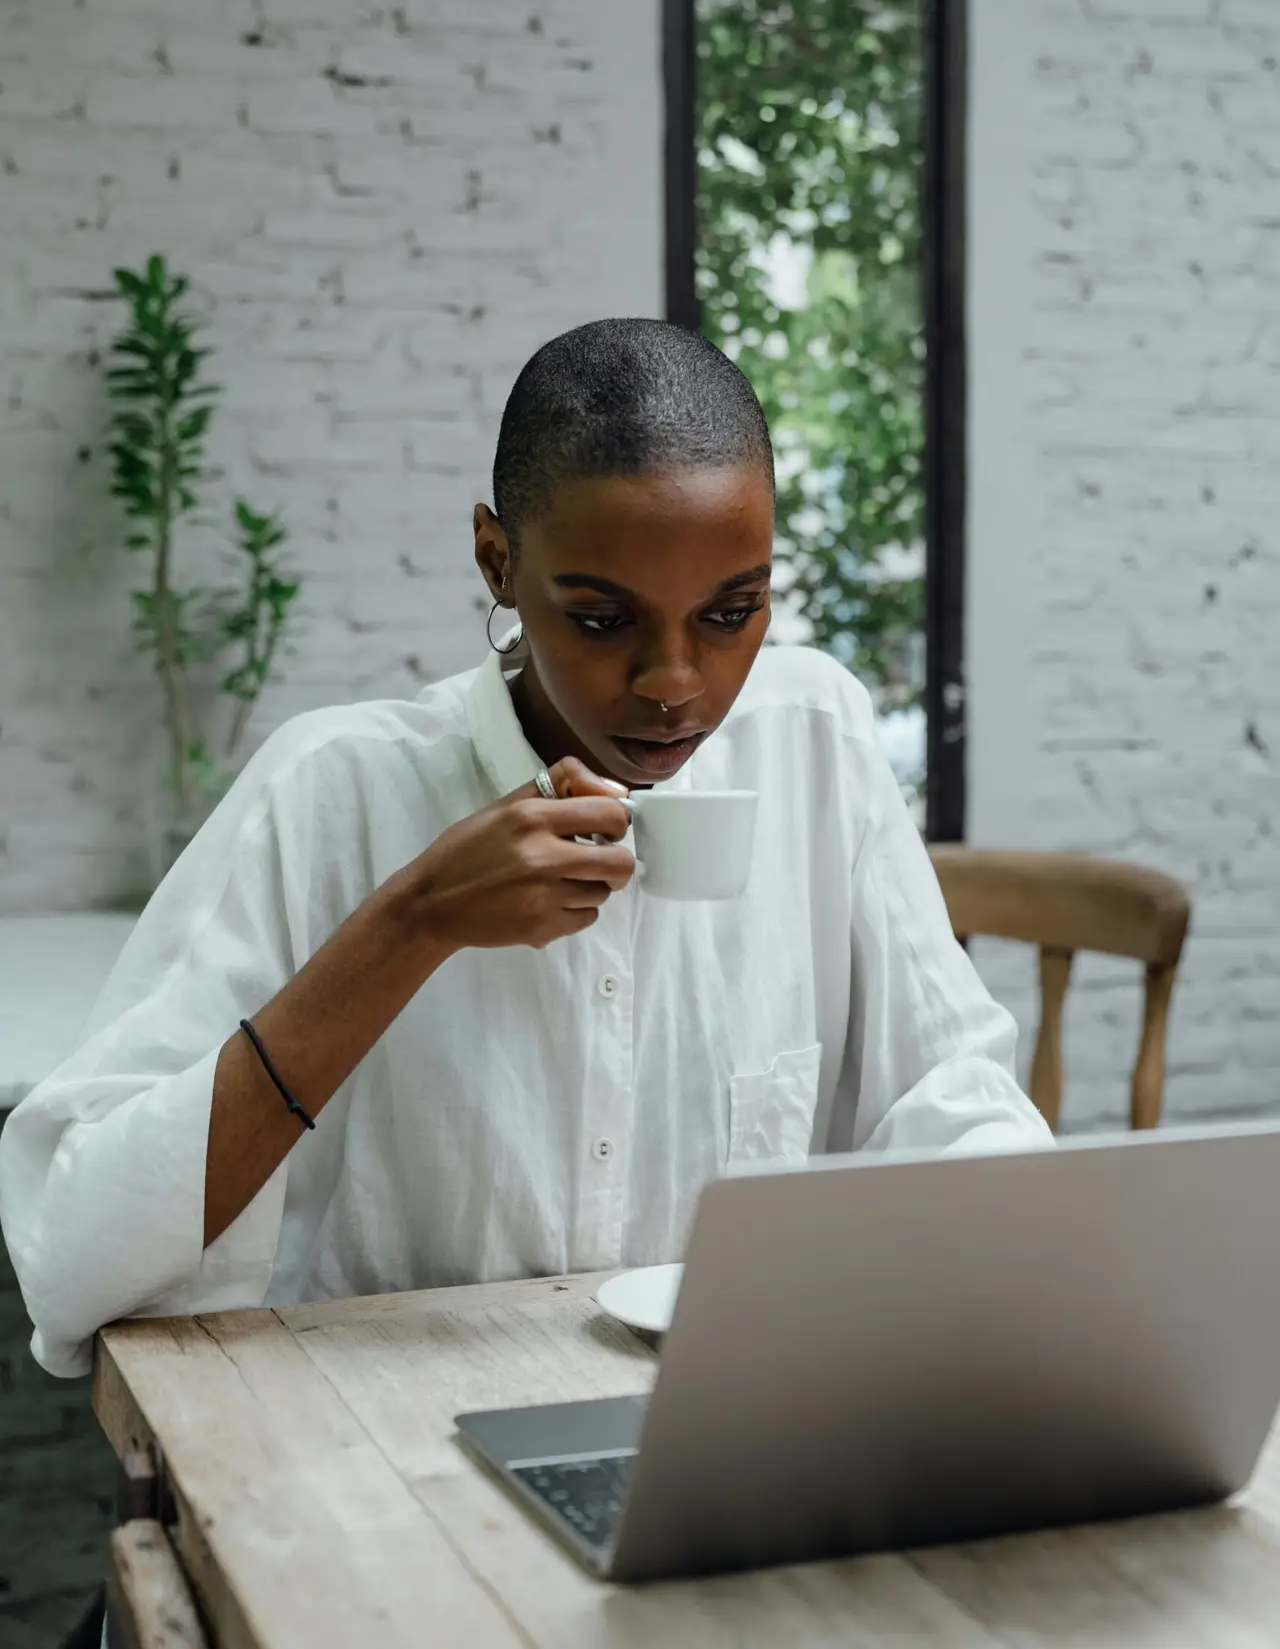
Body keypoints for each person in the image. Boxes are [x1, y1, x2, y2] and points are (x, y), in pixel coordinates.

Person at [0, 318, 1050, 1383]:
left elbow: (956, 1105)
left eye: (733, 612)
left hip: (726, 1420)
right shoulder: (335, 790)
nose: (675, 682)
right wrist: (410, 923)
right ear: (497, 562)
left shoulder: (812, 735)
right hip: (386, 1450)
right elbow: (73, 1259)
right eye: (601, 620)